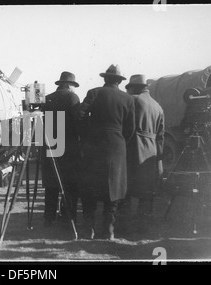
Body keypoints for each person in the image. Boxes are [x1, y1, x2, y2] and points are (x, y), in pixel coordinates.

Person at [77, 64, 135, 239]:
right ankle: (109, 230)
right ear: (119, 81)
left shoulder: (94, 93)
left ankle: (89, 229)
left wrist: (87, 134)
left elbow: (80, 114)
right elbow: (130, 129)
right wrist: (119, 138)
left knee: (90, 187)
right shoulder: (128, 99)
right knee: (114, 188)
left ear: (105, 79)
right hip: (117, 147)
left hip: (94, 145)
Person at [125, 74, 165, 233]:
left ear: (134, 87)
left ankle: (125, 224)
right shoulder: (158, 106)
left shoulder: (133, 100)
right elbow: (161, 136)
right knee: (146, 190)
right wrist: (159, 158)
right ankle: (144, 224)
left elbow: (126, 126)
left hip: (133, 148)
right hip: (151, 152)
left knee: (127, 187)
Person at [41, 71, 81, 227]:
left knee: (51, 184)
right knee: (70, 184)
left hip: (50, 145)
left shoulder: (47, 98)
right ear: (69, 85)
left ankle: (48, 217)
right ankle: (67, 216)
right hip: (68, 147)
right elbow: (77, 122)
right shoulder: (72, 98)